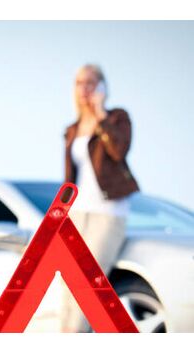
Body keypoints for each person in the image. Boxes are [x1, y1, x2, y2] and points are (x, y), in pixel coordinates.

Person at [61, 64, 140, 332]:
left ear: (103, 86)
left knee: (87, 286)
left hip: (108, 213)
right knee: (69, 288)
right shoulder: (72, 129)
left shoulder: (117, 118)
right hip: (77, 214)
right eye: (80, 82)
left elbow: (118, 152)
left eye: (92, 82)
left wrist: (101, 113)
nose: (85, 88)